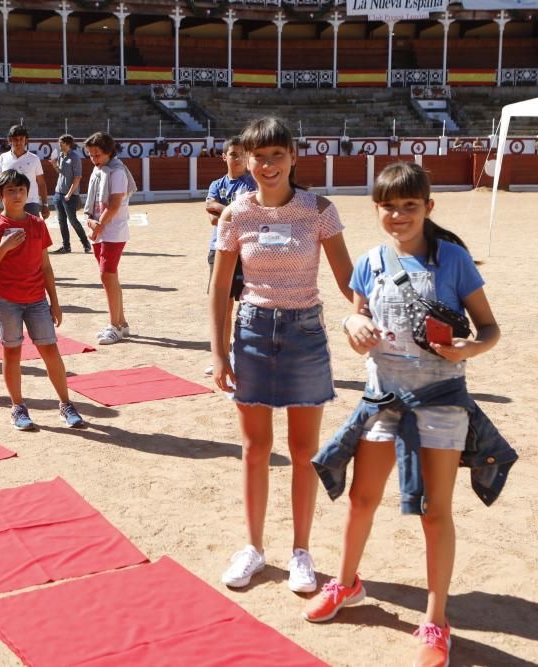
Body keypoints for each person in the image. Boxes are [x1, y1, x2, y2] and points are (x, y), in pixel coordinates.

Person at [303, 163, 505, 667]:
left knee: (435, 512)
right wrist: (353, 323)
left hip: (440, 400)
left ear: (428, 208)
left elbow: (489, 329)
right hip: (381, 399)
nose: (398, 215)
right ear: (376, 209)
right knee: (362, 497)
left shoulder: (453, 259)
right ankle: (347, 583)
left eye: (409, 206)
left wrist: (468, 349)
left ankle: (437, 619)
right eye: (389, 206)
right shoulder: (369, 261)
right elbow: (358, 320)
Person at [210, 117, 354, 593]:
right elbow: (218, 291)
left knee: (302, 451)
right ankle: (252, 547)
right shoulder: (236, 214)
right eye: (259, 156)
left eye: (277, 155)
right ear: (246, 160)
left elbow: (347, 278)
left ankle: (301, 552)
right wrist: (219, 353)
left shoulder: (319, 210)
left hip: (304, 333)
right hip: (251, 332)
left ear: (294, 157)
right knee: (254, 450)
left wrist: (367, 315)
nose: (268, 165)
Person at [0, 169, 86, 431]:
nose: (17, 195)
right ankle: (17, 407)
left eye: (21, 190)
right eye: (11, 191)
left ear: (28, 193)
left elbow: (46, 267)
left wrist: (55, 302)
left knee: (51, 351)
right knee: (12, 353)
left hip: (37, 300)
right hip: (6, 301)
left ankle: (66, 404)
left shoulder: (36, 224)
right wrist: (4, 248)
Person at [204, 136, 257, 375]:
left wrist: (222, 210)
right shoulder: (216, 184)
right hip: (219, 247)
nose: (237, 159)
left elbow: (245, 216)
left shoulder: (251, 184)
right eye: (233, 154)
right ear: (223, 156)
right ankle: (222, 356)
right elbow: (212, 217)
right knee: (223, 306)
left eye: (242, 154)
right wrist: (230, 213)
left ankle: (246, 355)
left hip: (246, 250)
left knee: (249, 306)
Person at [83, 131, 137, 345]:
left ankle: (114, 325)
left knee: (107, 275)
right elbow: (93, 201)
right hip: (102, 229)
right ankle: (121, 323)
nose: (94, 159)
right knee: (110, 276)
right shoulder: (100, 170)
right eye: (91, 155)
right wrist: (90, 220)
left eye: (97, 155)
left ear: (108, 152)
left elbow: (114, 205)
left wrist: (99, 226)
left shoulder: (116, 172)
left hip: (112, 230)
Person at [0, 125, 49, 219]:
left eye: (21, 139)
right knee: (10, 232)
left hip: (30, 202)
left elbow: (41, 183)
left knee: (32, 232)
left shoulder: (34, 159)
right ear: (10, 141)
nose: (18, 142)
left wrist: (45, 204)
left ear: (26, 140)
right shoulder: (3, 158)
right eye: (15, 139)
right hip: (8, 202)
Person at [52, 134, 89, 254]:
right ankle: (66, 246)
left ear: (67, 144)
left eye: (61, 143)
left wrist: (69, 194)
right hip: (58, 193)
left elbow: (77, 177)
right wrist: (54, 166)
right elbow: (61, 173)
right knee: (61, 221)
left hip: (70, 195)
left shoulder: (75, 158)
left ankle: (86, 244)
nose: (59, 145)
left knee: (73, 220)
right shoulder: (61, 156)